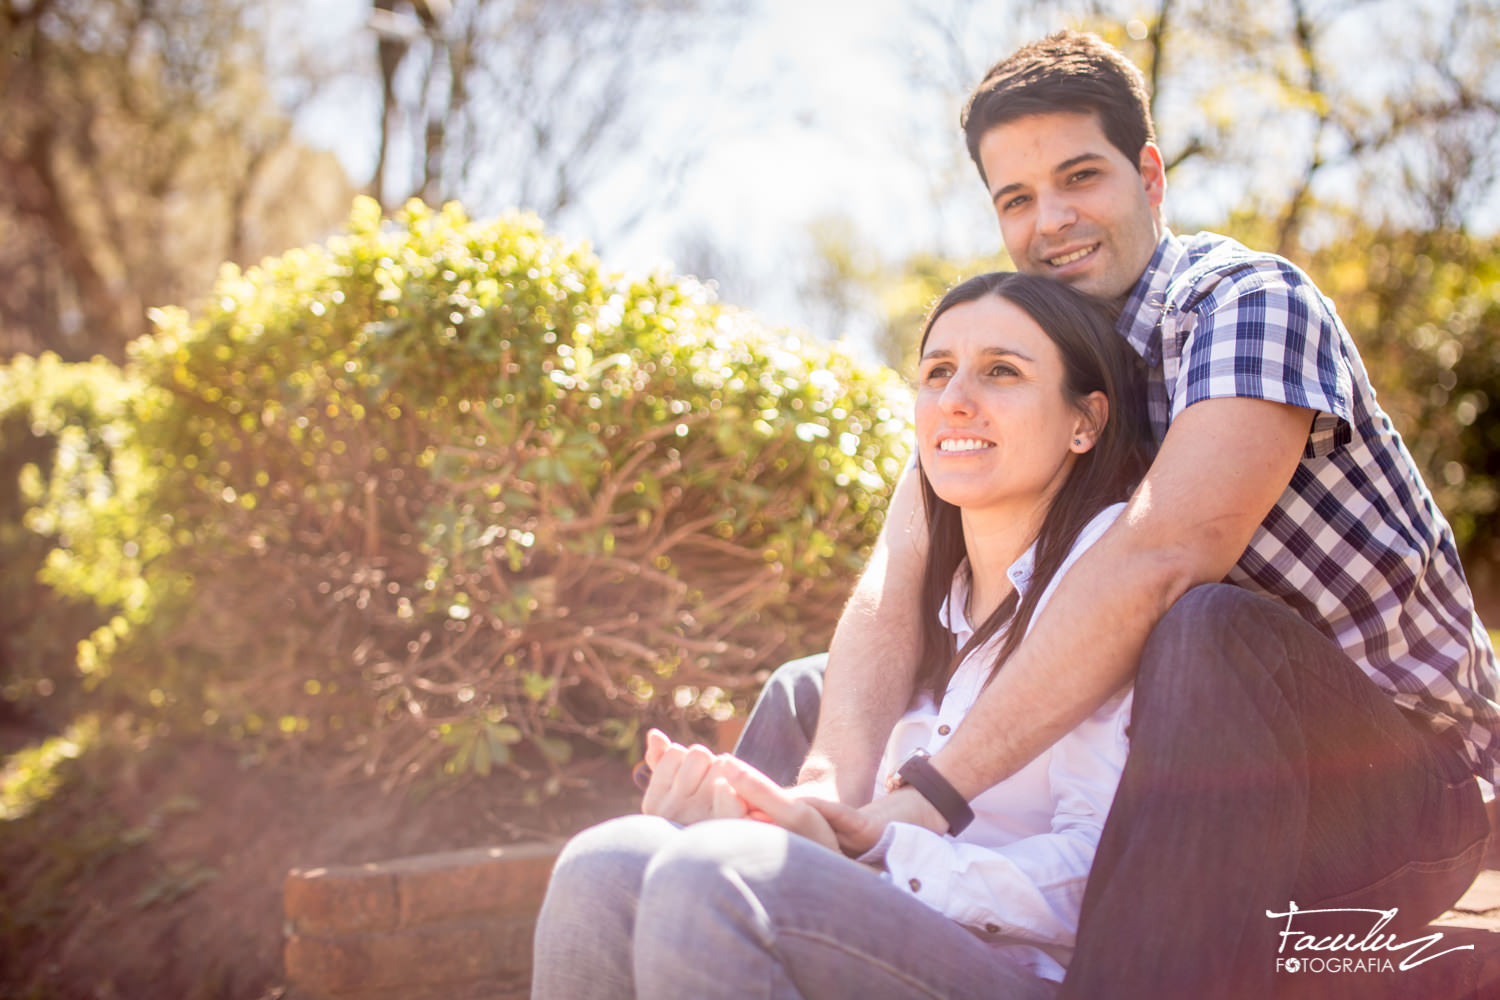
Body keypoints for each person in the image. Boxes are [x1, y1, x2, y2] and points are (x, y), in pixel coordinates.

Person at [729, 29, 1500, 1000]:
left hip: (1391, 788)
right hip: (1162, 763)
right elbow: (893, 592)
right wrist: (829, 799)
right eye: (1016, 198)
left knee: (1205, 628)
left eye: (1079, 177)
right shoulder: (1028, 356)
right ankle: (727, 925)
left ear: (1149, 175)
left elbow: (1166, 555)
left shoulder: (1244, 304)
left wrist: (924, 797)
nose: (1051, 220)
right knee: (814, 692)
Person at [530, 271, 1157, 998]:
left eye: (1002, 372)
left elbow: (1096, 875)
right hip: (866, 925)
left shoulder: (1103, 588)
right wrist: (734, 815)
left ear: (1086, 420)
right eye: (937, 372)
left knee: (719, 876)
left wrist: (884, 854)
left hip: (1018, 974)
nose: (956, 398)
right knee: (607, 859)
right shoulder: (911, 621)